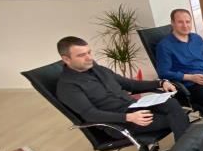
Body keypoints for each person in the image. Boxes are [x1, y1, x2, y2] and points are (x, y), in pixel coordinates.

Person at [56, 36, 189, 140]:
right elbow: (90, 114)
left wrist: (160, 83)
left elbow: (130, 84)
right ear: (66, 59)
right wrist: (128, 117)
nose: (89, 58)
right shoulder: (67, 86)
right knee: (178, 118)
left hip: (134, 106)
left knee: (171, 103)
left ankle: (185, 150)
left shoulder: (96, 68)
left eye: (89, 52)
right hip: (118, 122)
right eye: (81, 55)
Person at [155, 9, 203, 112]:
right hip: (192, 85)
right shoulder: (164, 46)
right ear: (172, 23)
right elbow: (163, 72)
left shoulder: (196, 38)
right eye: (180, 22)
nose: (185, 25)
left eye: (188, 22)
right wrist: (190, 77)